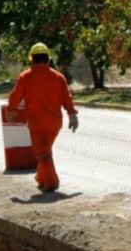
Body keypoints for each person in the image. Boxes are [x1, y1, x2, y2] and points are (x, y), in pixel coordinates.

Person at [6, 42, 79, 192]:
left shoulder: (25, 76)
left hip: (36, 123)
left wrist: (11, 110)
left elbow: (15, 96)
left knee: (43, 153)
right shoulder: (58, 77)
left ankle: (51, 182)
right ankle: (41, 178)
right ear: (48, 59)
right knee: (44, 152)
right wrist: (72, 115)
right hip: (54, 123)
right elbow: (67, 98)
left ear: (31, 59)